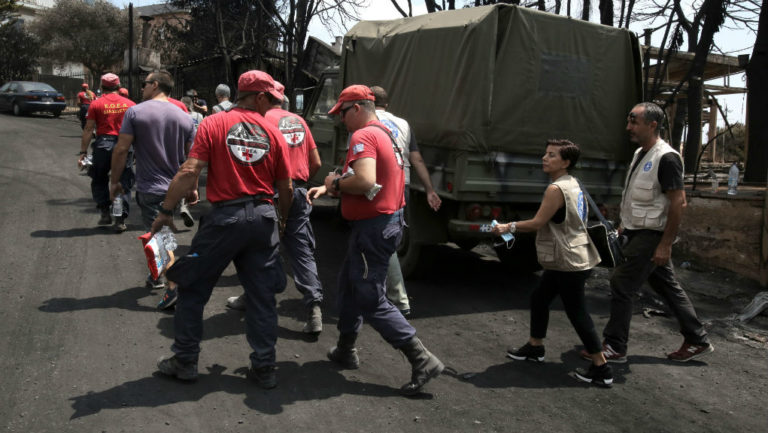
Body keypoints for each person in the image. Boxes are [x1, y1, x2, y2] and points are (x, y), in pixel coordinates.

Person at [154, 70, 293, 389]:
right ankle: (264, 367)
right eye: (269, 98)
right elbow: (284, 187)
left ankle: (185, 360)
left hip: (225, 219)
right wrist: (281, 221)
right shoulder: (273, 133)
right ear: (257, 96)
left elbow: (190, 171)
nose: (272, 104)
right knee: (262, 297)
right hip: (262, 218)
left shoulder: (213, 124)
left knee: (193, 288)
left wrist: (165, 210)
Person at [307, 85, 443, 396]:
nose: (340, 120)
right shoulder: (387, 133)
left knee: (370, 296)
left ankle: (421, 358)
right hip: (383, 223)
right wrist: (329, 188)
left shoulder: (364, 135)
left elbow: (365, 180)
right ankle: (345, 348)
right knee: (349, 285)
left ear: (356, 108)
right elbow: (372, 178)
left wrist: (333, 183)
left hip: (374, 228)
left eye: (342, 112)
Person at [586, 102, 713, 363]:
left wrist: (665, 244)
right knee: (666, 286)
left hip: (651, 235)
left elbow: (679, 203)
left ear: (652, 125)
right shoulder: (640, 154)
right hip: (636, 231)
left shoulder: (666, 158)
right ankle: (696, 338)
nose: (628, 127)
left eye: (634, 121)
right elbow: (638, 197)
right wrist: (624, 224)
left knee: (622, 283)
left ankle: (615, 346)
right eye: (629, 121)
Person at [493, 139, 612, 387]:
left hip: (567, 260)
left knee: (577, 312)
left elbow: (537, 223)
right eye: (545, 154)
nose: (544, 159)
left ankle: (601, 367)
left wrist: (508, 227)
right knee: (539, 298)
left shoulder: (555, 190)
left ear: (566, 162)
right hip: (574, 255)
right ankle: (535, 347)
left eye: (552, 155)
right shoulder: (573, 183)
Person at [226, 81, 325, 334]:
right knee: (301, 249)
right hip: (298, 191)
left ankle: (253, 296)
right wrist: (300, 183)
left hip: (267, 193)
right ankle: (314, 308)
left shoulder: (259, 120)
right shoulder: (299, 122)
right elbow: (316, 162)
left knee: (257, 250)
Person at [109, 70, 195, 305]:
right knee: (161, 235)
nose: (142, 88)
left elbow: (121, 149)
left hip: (151, 188)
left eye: (145, 84)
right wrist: (192, 188)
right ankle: (156, 274)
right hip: (175, 189)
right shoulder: (185, 117)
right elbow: (193, 159)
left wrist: (114, 181)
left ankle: (175, 286)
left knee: (160, 237)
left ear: (155, 85)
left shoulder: (136, 112)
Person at [370, 85, 442, 315]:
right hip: (403, 183)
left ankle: (395, 298)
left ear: (366, 103)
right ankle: (380, 292)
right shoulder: (403, 124)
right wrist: (430, 189)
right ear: (387, 104)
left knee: (376, 237)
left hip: (375, 184)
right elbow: (417, 159)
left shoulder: (365, 122)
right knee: (387, 236)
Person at [78, 73, 136, 231]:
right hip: (124, 145)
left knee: (99, 178)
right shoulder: (130, 104)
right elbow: (137, 129)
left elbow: (89, 128)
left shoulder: (96, 104)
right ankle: (120, 219)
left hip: (103, 145)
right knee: (123, 181)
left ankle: (104, 211)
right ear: (118, 86)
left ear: (102, 87)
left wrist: (83, 152)